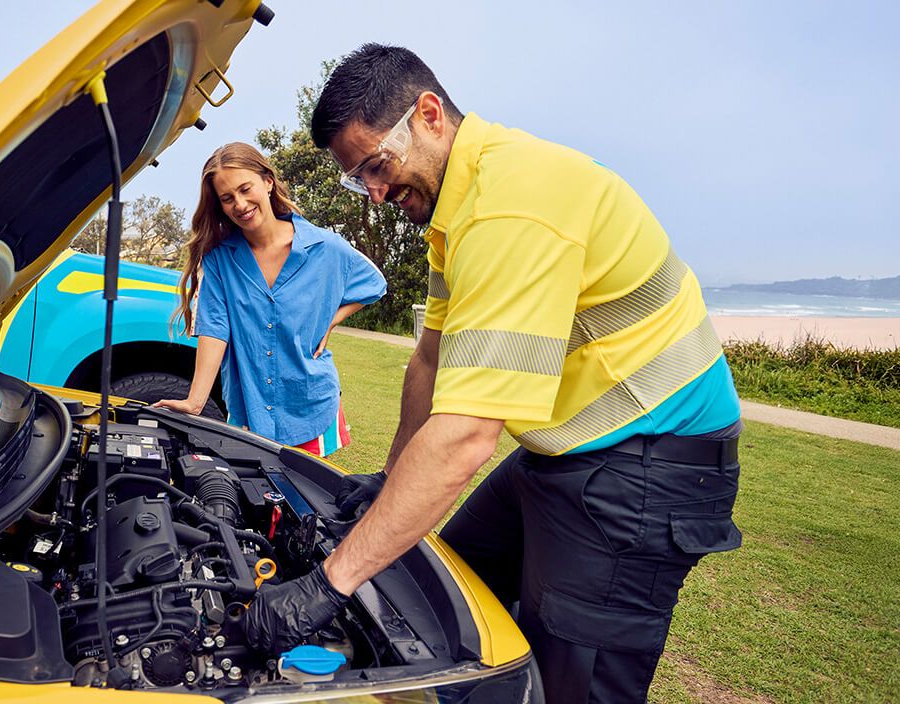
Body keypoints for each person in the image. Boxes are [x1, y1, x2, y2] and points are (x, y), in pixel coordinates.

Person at [242, 45, 744, 704]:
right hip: (572, 445)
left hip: (650, 463)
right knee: (437, 596)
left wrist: (329, 583)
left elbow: (468, 437)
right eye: (356, 178)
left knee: (575, 689)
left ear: (429, 115)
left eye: (375, 165)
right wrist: (393, 477)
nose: (374, 191)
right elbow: (430, 355)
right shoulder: (459, 205)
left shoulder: (510, 204)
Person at [153, 142, 385, 456]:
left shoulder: (325, 247)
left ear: (268, 182)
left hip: (311, 406)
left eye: (245, 189)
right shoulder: (220, 261)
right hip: (249, 413)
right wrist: (195, 401)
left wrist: (331, 320)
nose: (240, 203)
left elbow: (374, 283)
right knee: (256, 500)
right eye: (227, 198)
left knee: (308, 501)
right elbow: (214, 330)